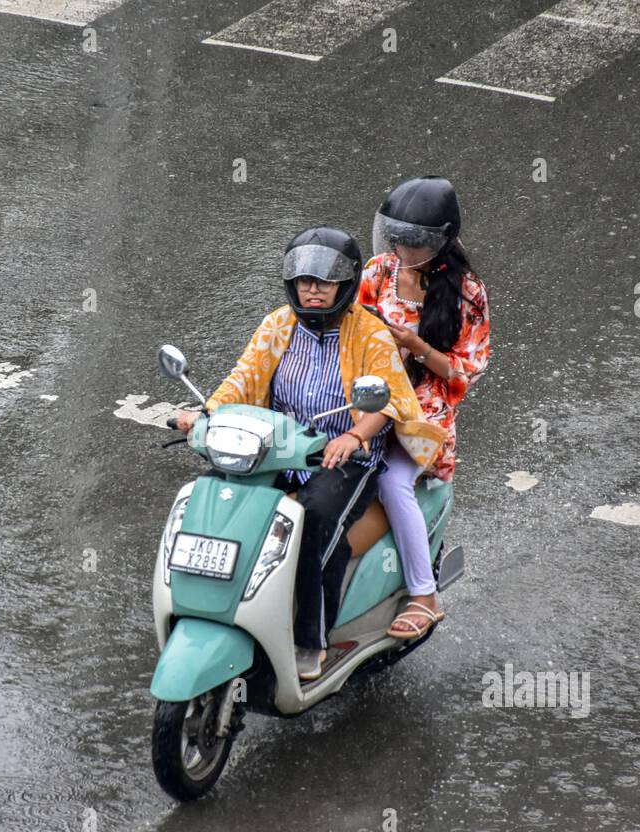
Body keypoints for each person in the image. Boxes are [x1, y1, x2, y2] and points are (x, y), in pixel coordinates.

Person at [176, 226, 446, 680]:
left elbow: (391, 400)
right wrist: (205, 412)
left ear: (345, 285)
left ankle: (310, 639)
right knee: (217, 500)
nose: (312, 291)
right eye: (304, 282)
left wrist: (355, 436)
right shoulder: (278, 324)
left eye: (323, 282)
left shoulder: (369, 332)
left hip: (346, 459)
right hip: (278, 448)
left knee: (315, 522)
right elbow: (244, 377)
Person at [358, 177, 490, 640]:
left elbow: (464, 372)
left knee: (393, 482)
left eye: (414, 242)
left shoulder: (468, 294)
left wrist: (416, 348)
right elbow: (347, 331)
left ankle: (423, 595)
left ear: (440, 241)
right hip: (369, 395)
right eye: (396, 237)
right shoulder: (376, 272)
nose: (401, 249)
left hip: (422, 410)